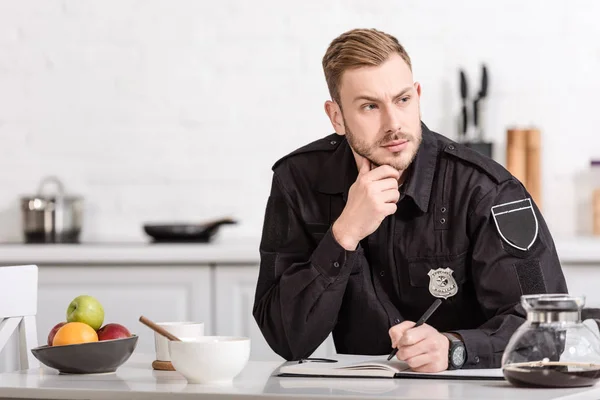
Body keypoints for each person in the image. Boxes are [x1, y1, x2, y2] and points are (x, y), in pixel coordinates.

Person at [252, 28, 568, 372]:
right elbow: (286, 339)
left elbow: (548, 331)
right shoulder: (298, 180)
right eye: (370, 106)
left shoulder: (488, 190)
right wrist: (344, 234)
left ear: (417, 95)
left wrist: (455, 348)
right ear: (337, 117)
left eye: (402, 100)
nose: (394, 124)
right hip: (355, 393)